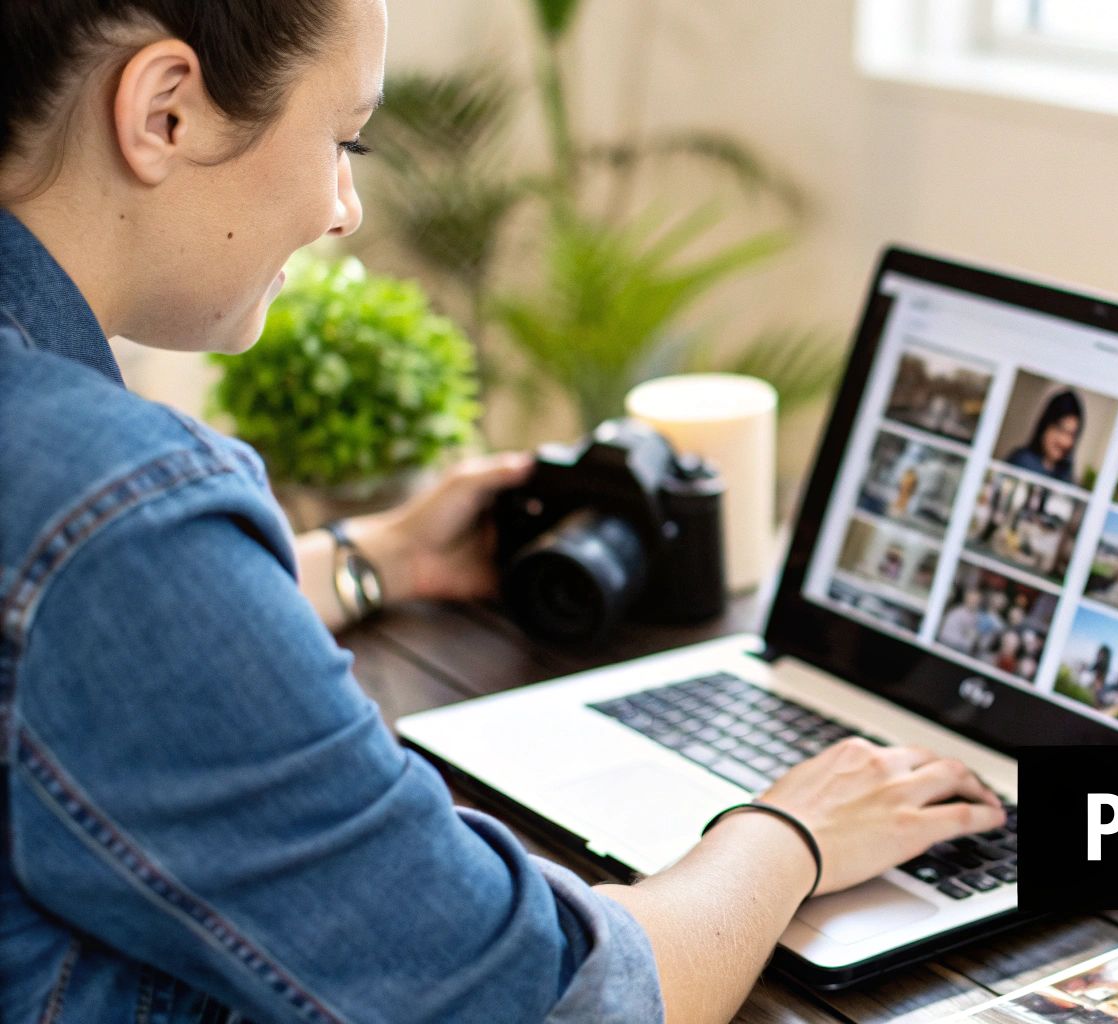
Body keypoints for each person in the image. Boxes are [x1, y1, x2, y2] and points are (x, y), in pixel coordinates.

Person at [0, 4, 1003, 1023]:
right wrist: (789, 829)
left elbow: (63, 637)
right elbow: (551, 1003)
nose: (343, 206)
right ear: (164, 111)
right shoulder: (115, 515)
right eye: (343, 139)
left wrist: (371, 559)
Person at [1006, 388, 1084, 485]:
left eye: (1072, 434)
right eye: (1060, 429)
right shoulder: (1022, 461)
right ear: (1045, 426)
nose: (1065, 441)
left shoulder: (1066, 476)